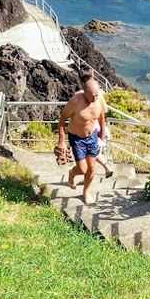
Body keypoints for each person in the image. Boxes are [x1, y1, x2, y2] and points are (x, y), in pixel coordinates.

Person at [57, 71, 108, 203]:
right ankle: (72, 173)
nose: (95, 98)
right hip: (77, 138)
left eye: (97, 94)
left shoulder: (99, 98)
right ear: (84, 92)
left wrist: (102, 135)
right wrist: (61, 141)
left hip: (92, 137)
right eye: (92, 95)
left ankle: (86, 192)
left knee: (92, 168)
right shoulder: (75, 101)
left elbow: (102, 117)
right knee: (82, 169)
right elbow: (62, 120)